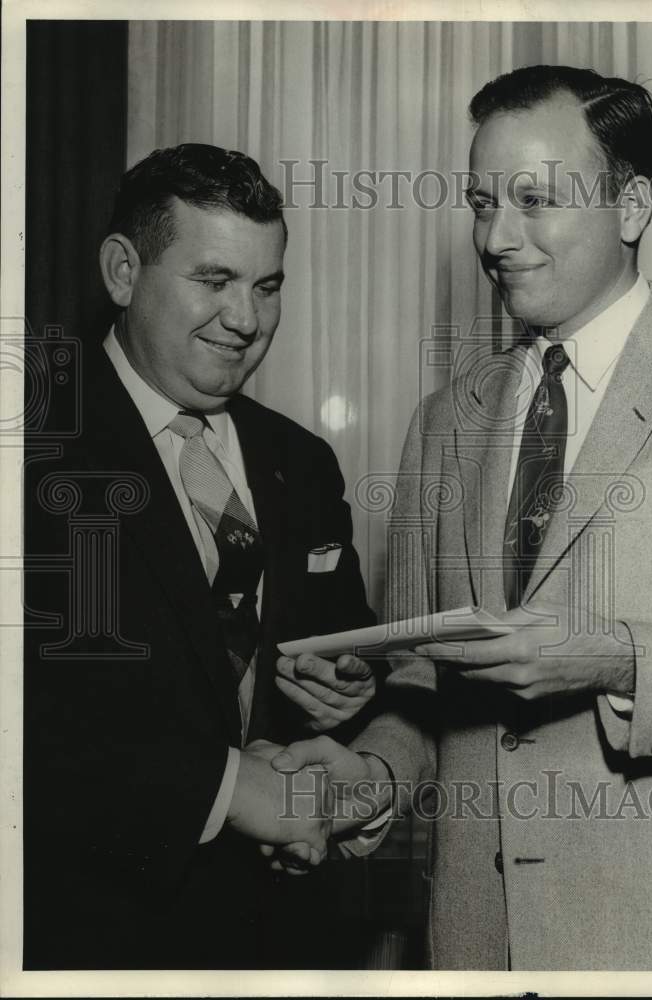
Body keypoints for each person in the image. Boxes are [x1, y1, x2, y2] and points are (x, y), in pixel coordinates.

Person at [271, 66, 652, 971]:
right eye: (480, 202)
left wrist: (619, 654)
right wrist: (368, 777)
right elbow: (425, 690)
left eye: (535, 199)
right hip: (478, 945)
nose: (496, 238)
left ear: (632, 207)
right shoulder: (442, 422)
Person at [23, 143, 378, 970]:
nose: (246, 319)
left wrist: (350, 684)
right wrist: (222, 788)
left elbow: (344, 637)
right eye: (213, 281)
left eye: (267, 286)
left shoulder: (303, 461)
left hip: (286, 936)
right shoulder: (29, 443)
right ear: (122, 271)